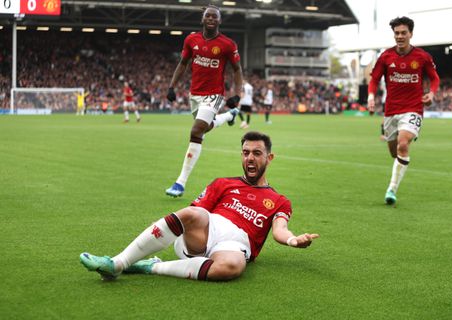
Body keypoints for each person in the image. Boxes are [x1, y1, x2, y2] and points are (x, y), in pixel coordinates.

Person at [80, 131, 319, 281]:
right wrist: (198, 222)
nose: (250, 158)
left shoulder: (279, 200)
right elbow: (190, 216)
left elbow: (279, 230)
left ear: (269, 157)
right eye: (246, 153)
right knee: (195, 213)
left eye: (257, 153)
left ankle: (151, 268)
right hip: (204, 234)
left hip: (234, 245)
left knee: (233, 267)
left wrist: (292, 240)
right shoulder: (223, 184)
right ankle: (118, 263)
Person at [165, 5, 243, 197]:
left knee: (196, 130)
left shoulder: (227, 44)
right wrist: (171, 87)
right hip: (195, 94)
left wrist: (237, 94)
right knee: (205, 128)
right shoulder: (191, 40)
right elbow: (182, 64)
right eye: (207, 16)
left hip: (214, 94)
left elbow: (237, 70)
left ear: (219, 21)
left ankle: (180, 183)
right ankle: (229, 115)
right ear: (202, 19)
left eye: (214, 17)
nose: (210, 19)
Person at [367, 16, 439, 205]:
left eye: (403, 33)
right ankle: (400, 162)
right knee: (395, 152)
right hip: (391, 111)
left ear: (411, 34)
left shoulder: (422, 57)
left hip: (413, 108)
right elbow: (374, 79)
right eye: (397, 33)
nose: (400, 36)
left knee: (403, 144)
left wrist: (431, 94)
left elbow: (435, 78)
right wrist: (371, 97)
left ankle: (391, 189)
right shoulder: (386, 57)